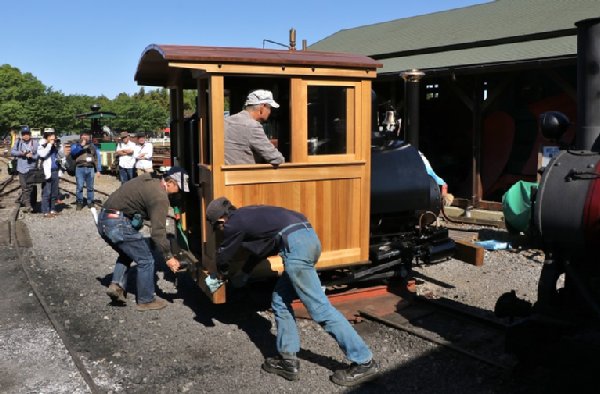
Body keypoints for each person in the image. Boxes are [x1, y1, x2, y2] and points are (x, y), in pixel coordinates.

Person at [204, 197, 379, 386]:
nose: (222, 230)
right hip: (308, 239)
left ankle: (364, 362)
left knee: (320, 309)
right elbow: (264, 249)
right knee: (279, 300)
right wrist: (245, 272)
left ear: (221, 220)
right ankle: (288, 361)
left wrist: (220, 276)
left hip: (296, 249)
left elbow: (224, 255)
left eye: (218, 227)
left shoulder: (234, 223)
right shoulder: (250, 215)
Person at [98, 167, 188, 311]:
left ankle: (117, 286)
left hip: (104, 219)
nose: (179, 193)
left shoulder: (150, 180)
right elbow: (158, 232)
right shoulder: (160, 196)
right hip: (117, 224)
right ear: (170, 183)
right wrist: (168, 256)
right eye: (179, 188)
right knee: (146, 259)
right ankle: (146, 300)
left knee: (128, 252)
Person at [224, 89, 285, 165]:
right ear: (262, 107)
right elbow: (276, 159)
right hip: (245, 175)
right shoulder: (253, 126)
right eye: (270, 108)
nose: (270, 112)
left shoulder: (226, 121)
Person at [10, 126, 39, 213]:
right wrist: (21, 153)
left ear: (30, 134)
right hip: (21, 168)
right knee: (24, 187)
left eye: (27, 134)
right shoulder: (18, 142)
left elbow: (39, 154)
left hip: (31, 168)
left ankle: (29, 203)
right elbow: (12, 152)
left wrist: (32, 156)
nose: (26, 136)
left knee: (30, 188)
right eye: (24, 134)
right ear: (22, 135)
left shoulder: (35, 142)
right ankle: (28, 205)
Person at [70, 131, 101, 210]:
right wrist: (81, 146)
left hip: (90, 168)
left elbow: (97, 158)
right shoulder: (76, 144)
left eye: (87, 135)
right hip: (79, 168)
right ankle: (79, 202)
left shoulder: (92, 146)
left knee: (90, 187)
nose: (85, 137)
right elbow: (73, 153)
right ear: (81, 136)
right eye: (84, 135)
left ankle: (90, 202)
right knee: (79, 187)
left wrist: (98, 170)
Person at [37, 130, 64, 218]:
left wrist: (59, 147)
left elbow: (62, 155)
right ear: (47, 138)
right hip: (47, 172)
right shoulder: (42, 145)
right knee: (47, 192)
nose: (53, 139)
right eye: (51, 137)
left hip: (55, 170)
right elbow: (42, 154)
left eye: (54, 137)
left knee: (54, 192)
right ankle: (45, 211)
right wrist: (49, 145)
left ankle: (52, 209)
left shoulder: (55, 146)